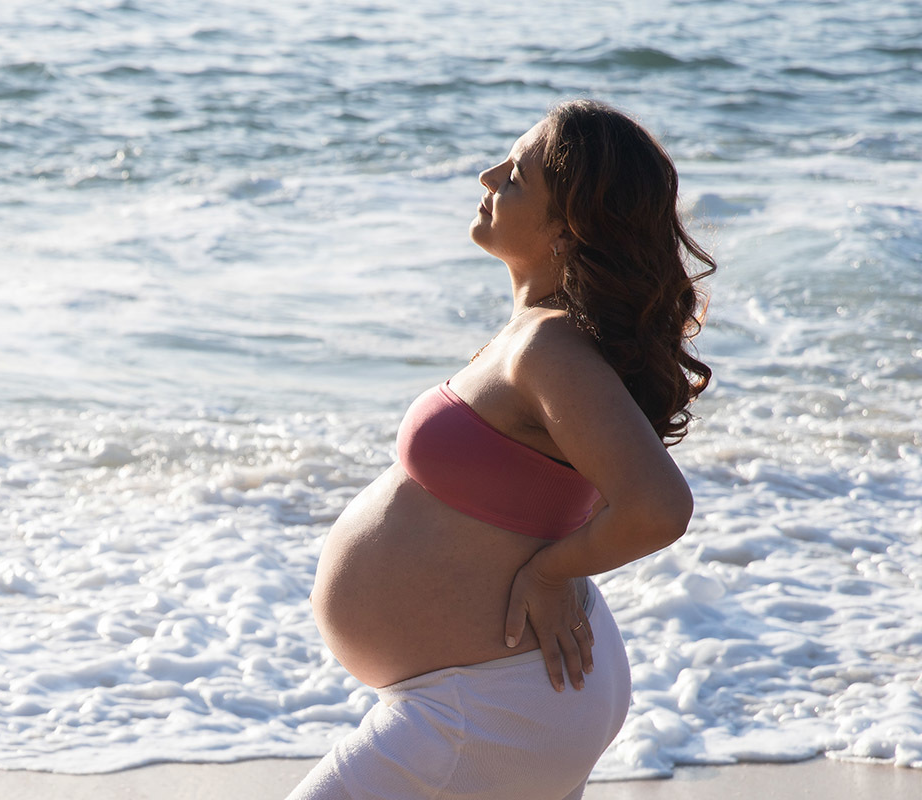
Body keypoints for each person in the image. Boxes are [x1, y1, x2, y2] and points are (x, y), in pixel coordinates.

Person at [288, 99, 716, 800]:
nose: (488, 175)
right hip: (497, 699)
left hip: (491, 707)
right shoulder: (548, 339)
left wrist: (552, 574)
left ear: (568, 227)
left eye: (516, 176)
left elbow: (659, 506)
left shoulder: (552, 348)